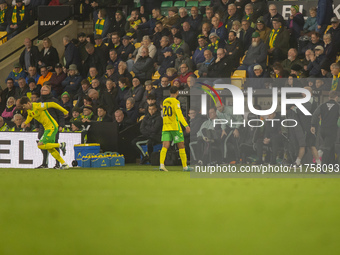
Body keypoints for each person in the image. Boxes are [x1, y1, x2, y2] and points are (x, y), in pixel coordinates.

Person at [20, 96, 69, 169]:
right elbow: (30, 115)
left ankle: (61, 145)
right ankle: (64, 164)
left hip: (51, 127)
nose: (23, 107)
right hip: (47, 128)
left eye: (24, 105)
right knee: (50, 148)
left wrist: (64, 111)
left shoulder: (38, 105)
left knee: (40, 145)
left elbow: (53, 104)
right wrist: (25, 122)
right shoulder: (29, 110)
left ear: (28, 103)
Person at [159, 86, 192, 172]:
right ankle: (185, 167)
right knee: (181, 145)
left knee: (165, 145)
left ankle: (161, 165)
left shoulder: (165, 101)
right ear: (177, 92)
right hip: (174, 127)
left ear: (170, 92)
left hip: (166, 126)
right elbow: (179, 114)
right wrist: (186, 125)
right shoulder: (176, 102)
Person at [311, 90, 340, 166]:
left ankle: (333, 165)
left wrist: (313, 125)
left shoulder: (322, 105)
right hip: (332, 130)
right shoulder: (338, 106)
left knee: (331, 146)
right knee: (327, 148)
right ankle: (322, 166)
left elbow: (314, 115)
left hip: (322, 130)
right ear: (336, 97)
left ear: (329, 97)